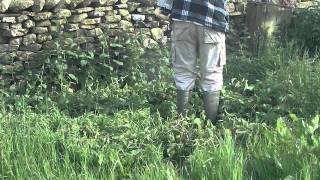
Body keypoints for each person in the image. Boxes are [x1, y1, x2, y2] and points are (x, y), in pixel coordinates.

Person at [156, 0, 229, 124]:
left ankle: (181, 124)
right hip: (211, 18)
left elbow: (161, 9)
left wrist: (164, 7)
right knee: (211, 74)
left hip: (183, 18)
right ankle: (210, 128)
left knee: (183, 72)